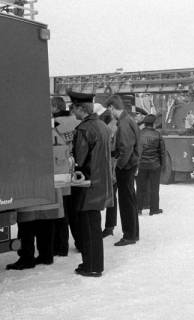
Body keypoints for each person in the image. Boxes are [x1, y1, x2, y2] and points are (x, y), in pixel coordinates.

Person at [69, 90, 113, 277]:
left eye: (74, 109)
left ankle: (91, 266)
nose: (73, 113)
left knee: (88, 227)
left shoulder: (84, 129)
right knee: (94, 226)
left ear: (81, 108)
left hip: (87, 184)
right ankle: (94, 264)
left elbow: (80, 158)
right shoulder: (102, 125)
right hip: (101, 182)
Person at [105, 95, 140, 246]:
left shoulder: (124, 123)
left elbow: (126, 148)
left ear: (112, 107)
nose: (109, 113)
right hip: (130, 165)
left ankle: (129, 235)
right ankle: (133, 233)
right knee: (130, 201)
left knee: (126, 203)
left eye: (109, 109)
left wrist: (118, 165)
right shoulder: (129, 120)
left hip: (125, 167)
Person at [51, 97, 81, 256]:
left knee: (61, 211)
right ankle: (80, 242)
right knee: (75, 210)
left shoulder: (54, 123)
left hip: (60, 172)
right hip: (75, 171)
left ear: (55, 107)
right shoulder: (76, 122)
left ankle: (61, 246)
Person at [94, 103, 118, 238]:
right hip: (111, 165)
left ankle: (109, 227)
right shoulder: (111, 125)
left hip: (111, 165)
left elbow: (111, 149)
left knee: (111, 196)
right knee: (111, 196)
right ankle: (109, 226)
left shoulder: (110, 127)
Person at [136, 114, 166, 215]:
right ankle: (154, 209)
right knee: (154, 188)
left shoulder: (139, 134)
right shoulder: (158, 135)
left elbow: (136, 150)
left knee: (140, 188)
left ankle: (138, 209)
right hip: (155, 165)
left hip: (141, 165)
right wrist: (162, 165)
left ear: (144, 123)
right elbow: (162, 152)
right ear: (153, 124)